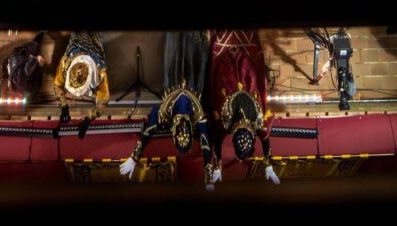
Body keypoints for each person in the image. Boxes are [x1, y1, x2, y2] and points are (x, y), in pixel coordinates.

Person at [121, 31, 213, 186]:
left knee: (184, 49)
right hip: (186, 81)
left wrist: (134, 157)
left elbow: (205, 141)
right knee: (186, 51)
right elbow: (149, 130)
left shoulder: (189, 114)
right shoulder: (168, 112)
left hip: (182, 82)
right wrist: (134, 157)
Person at [207, 29, 279, 183]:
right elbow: (265, 140)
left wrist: (217, 166)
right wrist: (268, 165)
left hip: (229, 81)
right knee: (249, 75)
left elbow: (218, 141)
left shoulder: (228, 124)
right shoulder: (257, 123)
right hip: (246, 82)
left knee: (225, 78)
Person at [53, 31, 109, 119]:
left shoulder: (100, 73)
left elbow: (104, 98)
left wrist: (92, 117)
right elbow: (57, 85)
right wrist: (63, 105)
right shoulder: (65, 63)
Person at [4, 33, 47, 100]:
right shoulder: (13, 86)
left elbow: (31, 64)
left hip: (21, 57)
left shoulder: (24, 80)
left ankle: (41, 34)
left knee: (35, 46)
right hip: (16, 57)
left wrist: (36, 58)